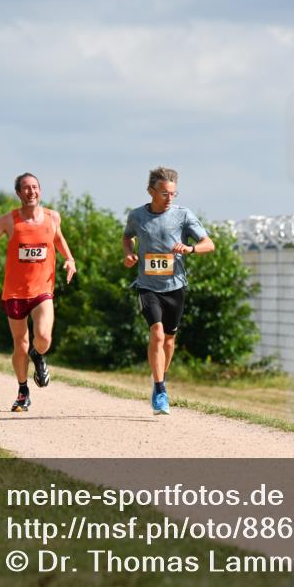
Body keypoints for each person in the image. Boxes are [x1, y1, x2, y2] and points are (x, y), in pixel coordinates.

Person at [0, 172, 77, 412]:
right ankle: (23, 390)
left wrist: (70, 259)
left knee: (44, 337)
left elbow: (58, 239)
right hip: (15, 292)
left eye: (35, 187)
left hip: (43, 289)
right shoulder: (9, 220)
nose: (31, 191)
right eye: (26, 188)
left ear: (40, 191)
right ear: (18, 193)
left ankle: (38, 356)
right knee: (19, 345)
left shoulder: (53, 217)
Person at [122, 166, 214, 415]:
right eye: (164, 193)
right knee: (157, 333)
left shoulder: (183, 215)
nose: (169, 198)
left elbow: (209, 244)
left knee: (170, 340)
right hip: (147, 286)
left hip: (175, 286)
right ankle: (160, 388)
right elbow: (127, 236)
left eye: (173, 194)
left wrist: (190, 248)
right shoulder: (137, 215)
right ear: (151, 191)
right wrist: (129, 253)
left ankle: (160, 378)